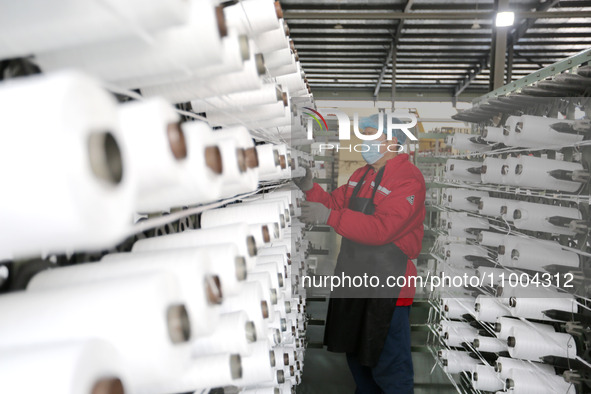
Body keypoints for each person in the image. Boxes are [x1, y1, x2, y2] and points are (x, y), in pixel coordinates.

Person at [294, 113, 426, 393]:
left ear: (392, 141)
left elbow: (382, 229)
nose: (364, 141)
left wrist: (329, 215)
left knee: (389, 364)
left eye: (370, 135)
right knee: (358, 357)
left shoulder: (408, 179)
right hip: (355, 278)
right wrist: (309, 187)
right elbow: (333, 202)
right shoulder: (361, 176)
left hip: (389, 286)